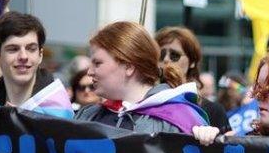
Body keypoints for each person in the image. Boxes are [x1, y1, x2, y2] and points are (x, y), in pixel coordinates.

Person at [77, 21, 218, 143]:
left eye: (97, 63)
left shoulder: (181, 122)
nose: (89, 72)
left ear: (128, 67)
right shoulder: (88, 115)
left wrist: (207, 144)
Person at [0, 11, 72, 118]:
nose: (23, 56)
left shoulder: (59, 114)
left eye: (31, 49)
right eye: (13, 49)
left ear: (40, 55)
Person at [155, 26, 230, 132]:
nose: (166, 59)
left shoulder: (213, 111)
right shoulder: (143, 102)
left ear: (192, 62)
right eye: (161, 55)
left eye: (174, 55)